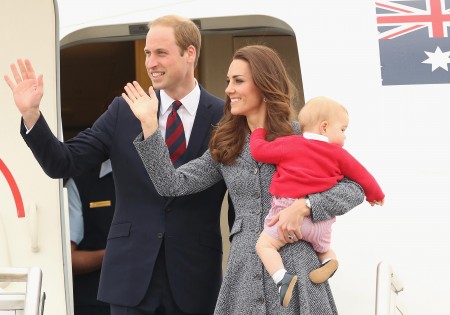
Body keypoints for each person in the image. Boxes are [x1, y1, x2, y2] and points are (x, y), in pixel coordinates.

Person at [4, 14, 234, 315]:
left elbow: (239, 203)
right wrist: (32, 116)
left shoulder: (224, 116)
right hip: (130, 278)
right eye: (147, 53)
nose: (151, 63)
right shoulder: (122, 112)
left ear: (189, 53)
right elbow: (63, 162)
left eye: (161, 53)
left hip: (196, 279)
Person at [123, 45, 365, 314]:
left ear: (264, 85)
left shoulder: (300, 136)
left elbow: (355, 188)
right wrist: (149, 125)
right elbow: (171, 184)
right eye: (228, 81)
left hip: (299, 270)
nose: (228, 89)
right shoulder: (227, 145)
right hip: (243, 273)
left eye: (238, 81)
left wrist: (305, 206)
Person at [250, 96, 385, 306]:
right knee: (322, 249)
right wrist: (376, 195)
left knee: (264, 245)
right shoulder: (338, 154)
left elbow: (259, 151)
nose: (345, 136)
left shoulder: (290, 144)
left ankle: (281, 278)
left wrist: (258, 131)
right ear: (324, 127)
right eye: (342, 129)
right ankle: (329, 260)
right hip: (321, 223)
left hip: (285, 214)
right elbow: (362, 176)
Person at [66, 159, 115, 315]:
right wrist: (113, 255)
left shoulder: (160, 177)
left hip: (155, 303)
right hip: (96, 305)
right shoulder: (80, 182)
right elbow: (66, 259)